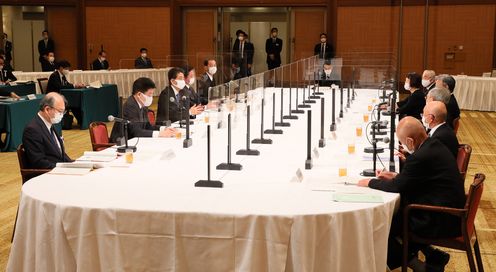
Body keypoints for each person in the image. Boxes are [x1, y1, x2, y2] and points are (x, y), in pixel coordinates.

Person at [358, 117, 465, 271]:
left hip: (440, 218)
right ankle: (432, 255)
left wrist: (369, 182)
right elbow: (414, 179)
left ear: (409, 141)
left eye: (402, 142)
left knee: (381, 225)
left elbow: (397, 187)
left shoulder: (420, 157)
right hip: (449, 212)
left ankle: (420, 267)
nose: (402, 146)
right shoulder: (433, 145)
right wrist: (396, 176)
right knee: (392, 218)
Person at [109, 77, 176, 143]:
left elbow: (147, 126)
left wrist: (164, 129)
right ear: (139, 94)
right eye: (150, 94)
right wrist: (160, 134)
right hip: (121, 143)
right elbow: (136, 132)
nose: (151, 97)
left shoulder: (143, 105)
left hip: (136, 140)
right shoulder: (130, 106)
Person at [22, 92, 72, 169]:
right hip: (46, 175)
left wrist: (75, 165)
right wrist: (64, 169)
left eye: (63, 112)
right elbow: (39, 163)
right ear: (47, 109)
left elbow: (60, 155)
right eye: (60, 111)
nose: (62, 115)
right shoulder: (32, 130)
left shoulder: (49, 124)